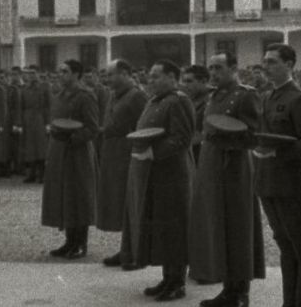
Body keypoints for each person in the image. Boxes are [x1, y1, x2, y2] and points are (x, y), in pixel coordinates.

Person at [189, 51, 265, 307]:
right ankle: (227, 289)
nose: (213, 73)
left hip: (235, 168)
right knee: (218, 226)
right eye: (210, 68)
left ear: (234, 68)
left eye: (218, 68)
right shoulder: (214, 96)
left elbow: (253, 134)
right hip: (212, 166)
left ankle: (241, 292)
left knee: (238, 228)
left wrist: (228, 139)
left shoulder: (246, 94)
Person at [122, 59, 194, 301]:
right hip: (154, 173)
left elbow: (182, 138)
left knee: (174, 227)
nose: (150, 80)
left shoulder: (178, 101)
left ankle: (177, 282)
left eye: (156, 76)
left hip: (172, 173)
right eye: (149, 76)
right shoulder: (155, 101)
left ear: (173, 78)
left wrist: (153, 152)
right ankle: (167, 277)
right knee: (162, 226)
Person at [254, 44, 301, 307]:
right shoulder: (268, 96)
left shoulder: (300, 98)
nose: (266, 66)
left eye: (273, 62)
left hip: (291, 182)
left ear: (290, 64)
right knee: (284, 244)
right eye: (265, 62)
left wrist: (277, 155)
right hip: (268, 181)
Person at [41, 59, 99, 260]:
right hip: (58, 150)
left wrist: (71, 138)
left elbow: (92, 128)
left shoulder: (85, 96)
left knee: (78, 196)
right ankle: (69, 241)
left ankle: (80, 244)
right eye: (59, 70)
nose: (60, 74)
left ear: (76, 74)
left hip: (77, 152)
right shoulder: (59, 96)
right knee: (64, 195)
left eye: (64, 71)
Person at [96, 59, 147, 271]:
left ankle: (138, 253)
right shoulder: (114, 95)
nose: (107, 79)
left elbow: (144, 128)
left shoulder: (138, 96)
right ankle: (126, 249)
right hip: (113, 155)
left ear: (125, 73)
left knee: (133, 204)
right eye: (106, 75)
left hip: (128, 155)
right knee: (121, 204)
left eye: (111, 75)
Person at [18, 68, 50, 183]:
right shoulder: (24, 89)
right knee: (29, 148)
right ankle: (31, 174)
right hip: (27, 120)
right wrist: (20, 123)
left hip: (39, 119)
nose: (31, 76)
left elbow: (48, 106)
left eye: (33, 73)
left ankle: (41, 174)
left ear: (38, 74)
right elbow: (21, 107)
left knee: (41, 148)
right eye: (29, 74)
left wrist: (48, 123)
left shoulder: (44, 88)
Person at [181, 64, 210, 166]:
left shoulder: (211, 102)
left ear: (203, 81)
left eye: (189, 81)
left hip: (203, 157)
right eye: (184, 81)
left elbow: (202, 135)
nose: (185, 85)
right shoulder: (191, 100)